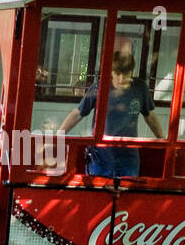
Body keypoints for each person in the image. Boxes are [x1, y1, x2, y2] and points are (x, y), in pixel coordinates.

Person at [56, 49, 163, 177]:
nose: (121, 78)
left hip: (128, 160)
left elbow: (150, 116)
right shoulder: (99, 88)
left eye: (126, 73)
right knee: (97, 195)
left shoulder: (140, 88)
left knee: (126, 195)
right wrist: (58, 135)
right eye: (117, 73)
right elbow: (78, 113)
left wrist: (162, 140)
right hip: (100, 159)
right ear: (111, 72)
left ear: (132, 71)